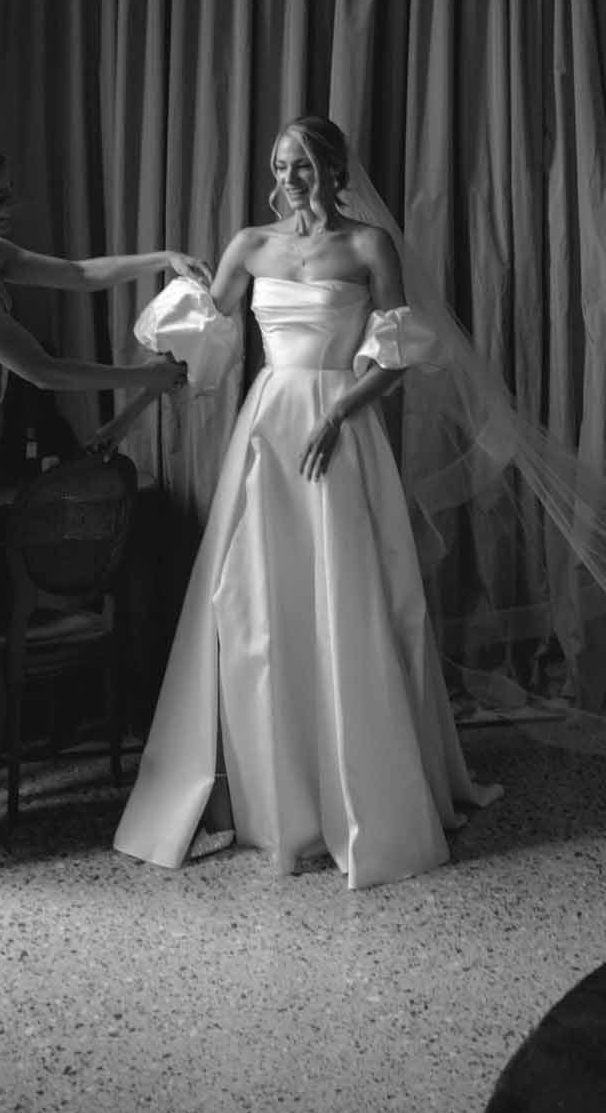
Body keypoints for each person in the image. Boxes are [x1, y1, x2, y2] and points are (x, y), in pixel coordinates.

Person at [113, 114, 500, 890]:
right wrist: (145, 379)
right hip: (267, 429)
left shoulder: (367, 246)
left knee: (351, 602)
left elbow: (396, 353)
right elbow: (208, 332)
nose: (289, 178)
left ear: (332, 168)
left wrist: (338, 411)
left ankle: (366, 791)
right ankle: (273, 795)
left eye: (301, 166)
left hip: (339, 430)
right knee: (260, 606)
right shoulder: (250, 245)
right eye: (279, 165)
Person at [0, 137, 194, 875]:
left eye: (7, 191)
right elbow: (40, 367)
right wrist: (145, 379)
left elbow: (75, 274)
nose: (11, 204)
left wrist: (160, 258)